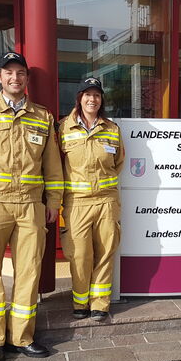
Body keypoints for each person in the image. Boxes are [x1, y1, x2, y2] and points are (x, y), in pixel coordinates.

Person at [0, 52, 63, 361]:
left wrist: (54, 202)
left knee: (29, 272)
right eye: (9, 73)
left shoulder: (43, 117)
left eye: (20, 73)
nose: (15, 78)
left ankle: (22, 337)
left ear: (27, 79)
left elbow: (52, 165)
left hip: (31, 205)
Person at [58, 77, 124, 322]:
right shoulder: (63, 128)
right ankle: (80, 302)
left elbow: (118, 163)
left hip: (107, 201)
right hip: (77, 202)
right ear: (80, 98)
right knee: (80, 255)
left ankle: (100, 304)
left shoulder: (112, 129)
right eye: (87, 94)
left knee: (105, 252)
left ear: (101, 100)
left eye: (96, 95)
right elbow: (55, 165)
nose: (92, 99)